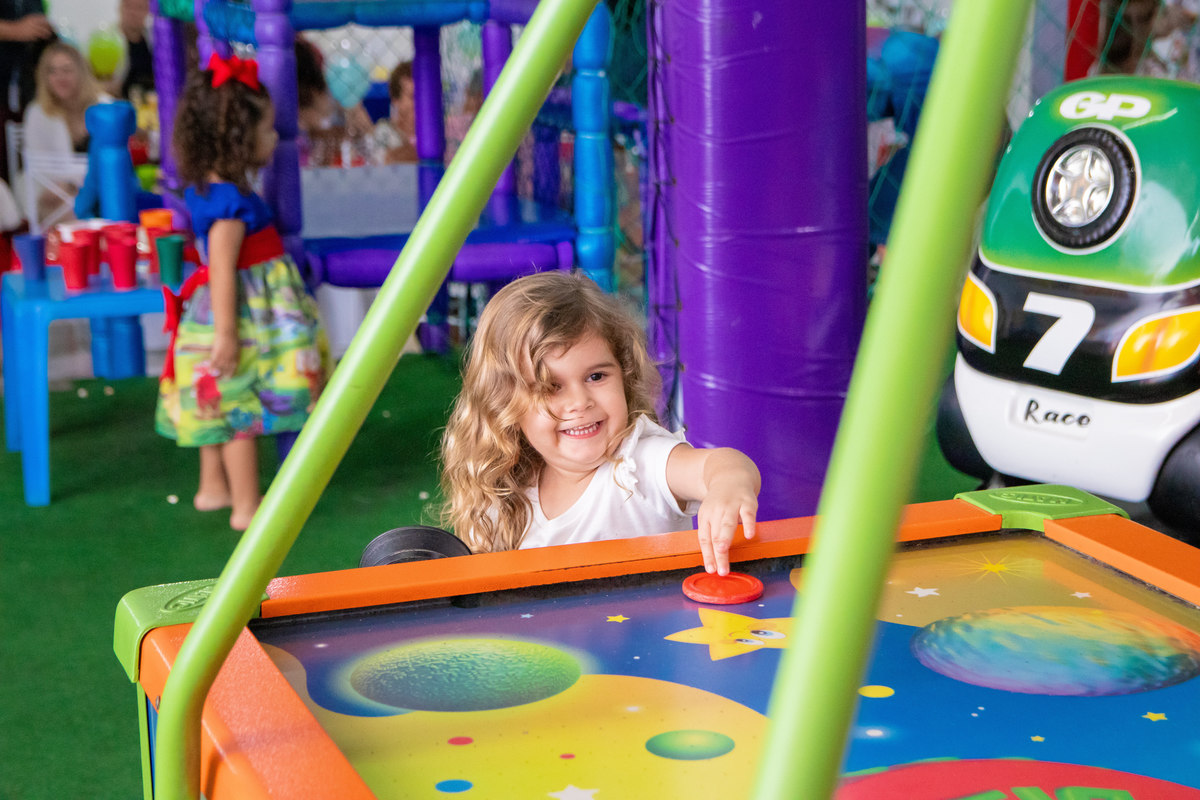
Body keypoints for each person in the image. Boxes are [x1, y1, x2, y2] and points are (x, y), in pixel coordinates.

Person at [439, 271, 761, 575]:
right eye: (551, 386)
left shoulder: (638, 464)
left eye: (596, 376)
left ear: (624, 374)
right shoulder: (509, 491)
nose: (580, 401)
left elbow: (720, 464)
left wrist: (727, 485)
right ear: (505, 403)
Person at [157, 53, 330, 531]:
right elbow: (222, 267)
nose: (275, 138)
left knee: (217, 399)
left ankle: (213, 488)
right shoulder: (231, 204)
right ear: (238, 137)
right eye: (267, 130)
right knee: (238, 408)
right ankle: (247, 507)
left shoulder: (210, 190)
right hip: (244, 314)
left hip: (225, 309)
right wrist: (227, 334)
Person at [20, 41, 108, 225]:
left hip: (104, 190)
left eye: (67, 70)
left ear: (81, 72)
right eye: (52, 71)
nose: (60, 77)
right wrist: (72, 183)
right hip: (59, 199)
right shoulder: (37, 113)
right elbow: (40, 169)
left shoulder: (104, 106)